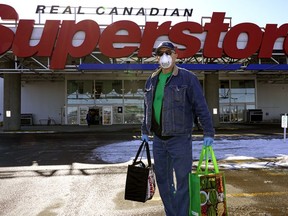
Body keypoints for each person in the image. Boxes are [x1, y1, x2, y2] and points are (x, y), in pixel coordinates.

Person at [141, 41, 215, 216]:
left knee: (183, 182)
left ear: (175, 55)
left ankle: (181, 214)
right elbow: (147, 107)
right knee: (163, 181)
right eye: (161, 54)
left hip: (180, 139)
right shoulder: (152, 79)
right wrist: (144, 129)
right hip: (159, 140)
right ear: (157, 58)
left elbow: (200, 105)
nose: (164, 56)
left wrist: (208, 131)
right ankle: (172, 213)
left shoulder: (187, 78)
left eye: (168, 52)